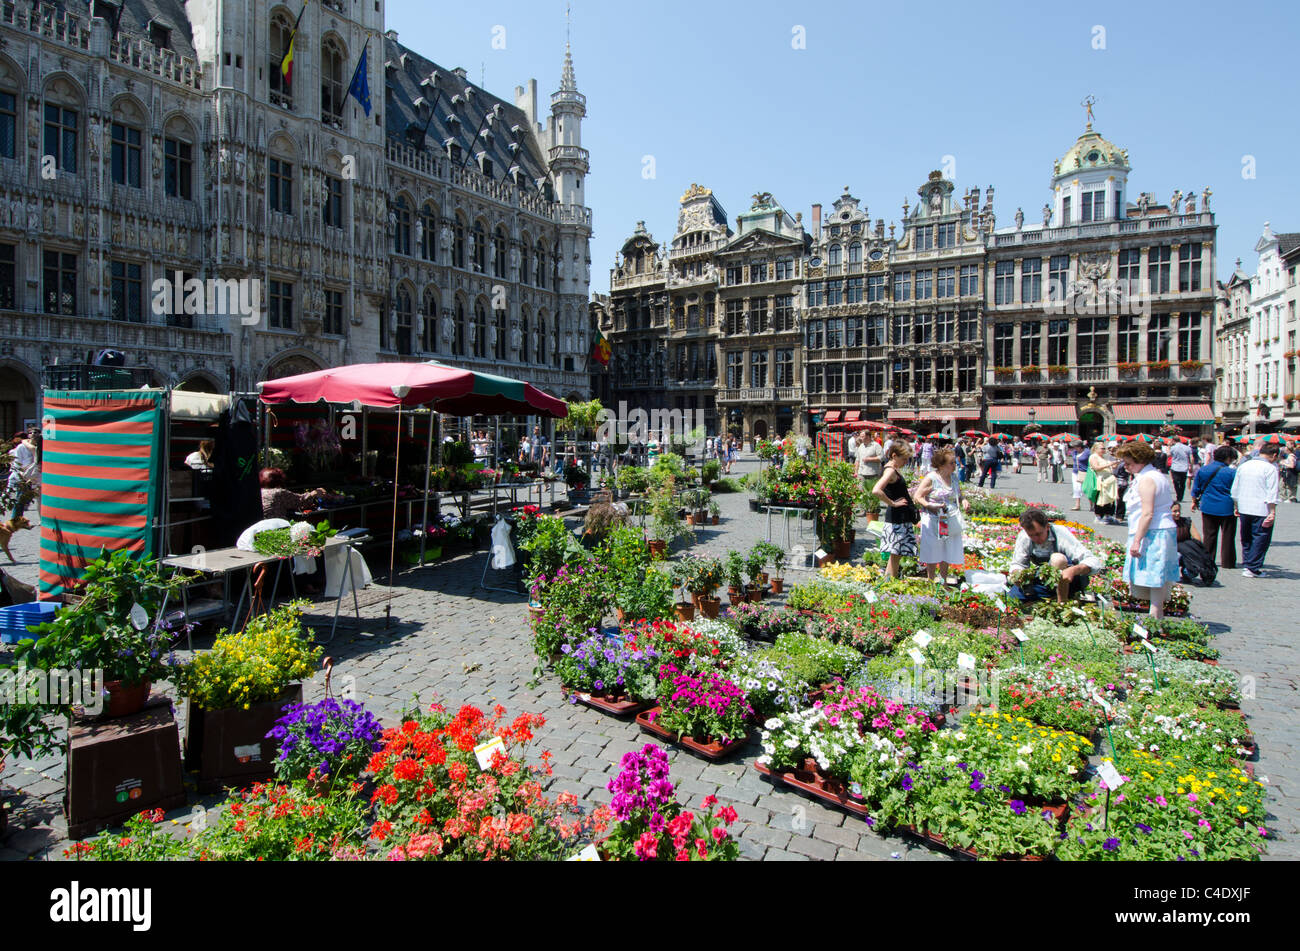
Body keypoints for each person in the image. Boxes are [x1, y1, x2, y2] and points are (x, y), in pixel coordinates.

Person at [1115, 440, 1179, 619]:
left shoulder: (1147, 480)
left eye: (1129, 463)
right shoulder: (1153, 475)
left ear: (1140, 460)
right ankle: (1155, 615)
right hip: (1157, 529)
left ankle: (1155, 616)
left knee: (1154, 576)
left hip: (1153, 532)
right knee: (1155, 577)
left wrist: (1137, 540)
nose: (1126, 467)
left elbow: (1147, 513)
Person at [1007, 508, 1103, 603]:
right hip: (1044, 579)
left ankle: (1062, 601)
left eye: (1039, 534)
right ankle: (1050, 596)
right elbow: (1018, 563)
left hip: (1069, 580)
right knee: (1012, 598)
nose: (1036, 538)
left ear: (1047, 526)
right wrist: (1017, 574)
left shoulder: (1060, 533)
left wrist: (1073, 570)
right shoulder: (1025, 536)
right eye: (1031, 535)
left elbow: (1093, 561)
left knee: (1058, 559)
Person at [914, 447, 967, 585]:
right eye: (952, 463)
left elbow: (959, 494)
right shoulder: (932, 478)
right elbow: (918, 497)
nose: (954, 466)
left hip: (948, 519)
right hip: (933, 518)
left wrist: (964, 500)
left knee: (946, 549)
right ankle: (931, 581)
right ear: (942, 464)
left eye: (955, 463)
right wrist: (929, 505)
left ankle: (943, 582)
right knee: (932, 549)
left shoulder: (954, 477)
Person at [1231, 442, 1281, 578]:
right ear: (1274, 455)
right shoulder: (1270, 468)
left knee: (1246, 537)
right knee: (1261, 537)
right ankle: (1253, 567)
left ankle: (1248, 562)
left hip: (1244, 506)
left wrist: (1236, 505)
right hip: (1261, 508)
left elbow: (1235, 488)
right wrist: (1272, 511)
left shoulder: (1244, 465)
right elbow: (1272, 492)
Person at [872, 442, 919, 579]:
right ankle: (890, 583)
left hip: (901, 517)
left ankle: (889, 581)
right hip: (896, 518)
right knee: (895, 553)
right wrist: (892, 503)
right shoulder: (890, 470)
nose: (906, 462)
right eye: (904, 459)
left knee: (896, 554)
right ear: (894, 456)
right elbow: (876, 490)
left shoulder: (892, 468)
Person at [1191, 444, 1239, 569]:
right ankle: (1228, 562)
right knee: (1228, 536)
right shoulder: (1232, 472)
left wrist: (1194, 501)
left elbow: (1196, 488)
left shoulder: (1204, 470)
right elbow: (1236, 490)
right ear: (1228, 458)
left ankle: (1208, 560)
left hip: (1208, 506)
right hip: (1227, 507)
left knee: (1209, 536)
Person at [260, 468, 331, 521]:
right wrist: (315, 493)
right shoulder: (278, 493)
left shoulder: (259, 492)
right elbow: (300, 501)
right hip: (275, 527)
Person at [1088, 440, 1118, 524]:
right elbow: (1096, 467)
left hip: (1109, 479)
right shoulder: (1093, 456)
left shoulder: (1103, 457)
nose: (1104, 450)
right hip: (1101, 479)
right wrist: (1109, 464)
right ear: (1096, 449)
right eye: (1102, 448)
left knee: (1109, 499)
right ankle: (1098, 516)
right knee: (1101, 499)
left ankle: (1108, 515)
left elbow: (1113, 467)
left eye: (1104, 448)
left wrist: (1117, 462)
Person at [1167, 437, 1194, 502]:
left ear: (1173, 441)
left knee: (1175, 482)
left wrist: (1168, 446)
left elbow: (1168, 455)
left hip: (1175, 467)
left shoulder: (1173, 448)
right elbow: (1191, 458)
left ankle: (1178, 494)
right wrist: (1191, 467)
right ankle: (1181, 496)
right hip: (1184, 467)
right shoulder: (1187, 448)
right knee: (1182, 482)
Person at [1070, 441, 1089, 511]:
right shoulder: (1074, 452)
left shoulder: (1087, 452)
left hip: (1084, 472)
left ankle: (1091, 505)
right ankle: (1077, 505)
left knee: (1086, 489)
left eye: (1075, 447)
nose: (1074, 448)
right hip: (1075, 472)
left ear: (1080, 447)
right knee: (1076, 488)